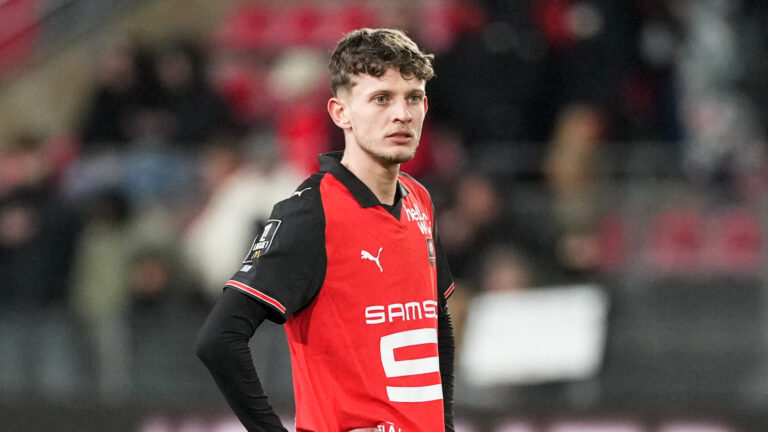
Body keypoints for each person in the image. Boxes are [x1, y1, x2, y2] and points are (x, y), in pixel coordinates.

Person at [195, 28, 456, 432]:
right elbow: (219, 340)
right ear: (340, 113)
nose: (402, 114)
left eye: (413, 97)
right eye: (381, 98)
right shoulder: (312, 211)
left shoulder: (419, 199)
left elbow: (436, 323)